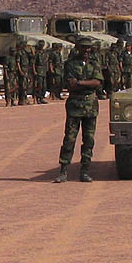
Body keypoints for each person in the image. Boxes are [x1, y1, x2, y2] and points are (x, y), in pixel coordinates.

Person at [55, 37, 103, 183]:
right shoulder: (70, 64)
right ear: (78, 48)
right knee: (69, 138)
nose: (87, 50)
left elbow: (98, 82)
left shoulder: (95, 63)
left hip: (90, 106)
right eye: (84, 47)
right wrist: (86, 84)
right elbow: (70, 84)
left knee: (88, 140)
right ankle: (63, 170)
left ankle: (85, 171)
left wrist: (81, 82)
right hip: (75, 105)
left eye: (89, 48)